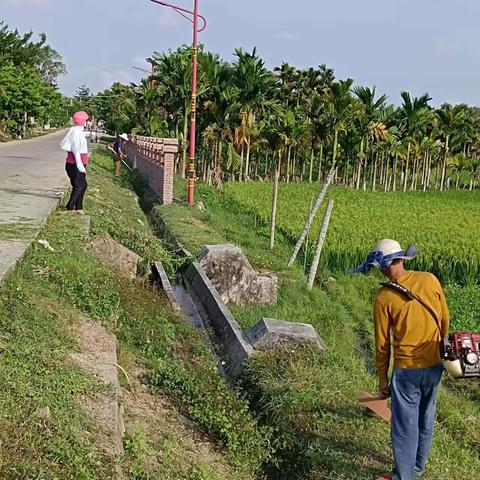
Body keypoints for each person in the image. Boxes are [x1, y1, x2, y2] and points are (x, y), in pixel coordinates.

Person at [351, 239, 449, 480]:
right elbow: (445, 320)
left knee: (404, 425)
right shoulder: (429, 279)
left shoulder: (384, 297)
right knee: (426, 416)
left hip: (407, 371)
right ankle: (417, 467)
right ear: (402, 259)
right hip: (436, 364)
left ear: (385, 265)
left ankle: (403, 477)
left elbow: (382, 344)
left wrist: (382, 378)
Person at [60, 111, 90, 214]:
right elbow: (76, 151)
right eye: (86, 120)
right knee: (79, 186)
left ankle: (79, 207)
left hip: (74, 164)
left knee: (81, 185)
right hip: (76, 164)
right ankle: (70, 205)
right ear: (83, 121)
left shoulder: (75, 131)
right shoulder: (76, 134)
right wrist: (81, 167)